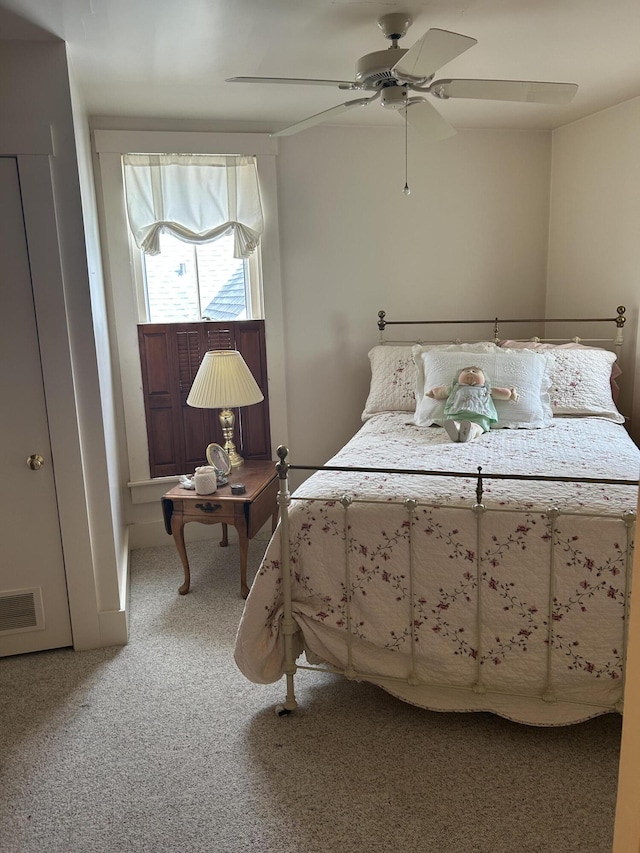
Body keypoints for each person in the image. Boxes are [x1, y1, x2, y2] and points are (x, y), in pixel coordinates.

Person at [426, 365, 519, 442]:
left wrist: (510, 394)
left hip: (479, 417)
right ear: (458, 378)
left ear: (484, 379)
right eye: (467, 371)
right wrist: (432, 393)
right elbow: (441, 392)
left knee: (477, 427)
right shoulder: (454, 389)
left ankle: (470, 431)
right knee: (455, 423)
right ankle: (456, 428)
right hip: (457, 415)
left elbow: (500, 393)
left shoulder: (486, 389)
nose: (470, 372)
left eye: (475, 371)